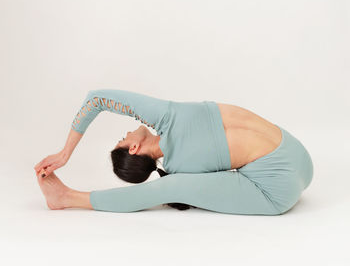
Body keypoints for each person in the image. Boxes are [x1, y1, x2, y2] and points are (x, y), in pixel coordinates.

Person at [34, 89, 313, 215]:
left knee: (172, 186)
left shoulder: (179, 165)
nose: (128, 132)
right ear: (134, 147)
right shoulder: (170, 115)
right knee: (172, 186)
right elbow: (97, 99)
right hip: (299, 157)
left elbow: (96, 98)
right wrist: (65, 153)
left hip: (279, 188)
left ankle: (68, 197)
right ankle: (67, 198)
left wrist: (63, 154)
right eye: (123, 137)